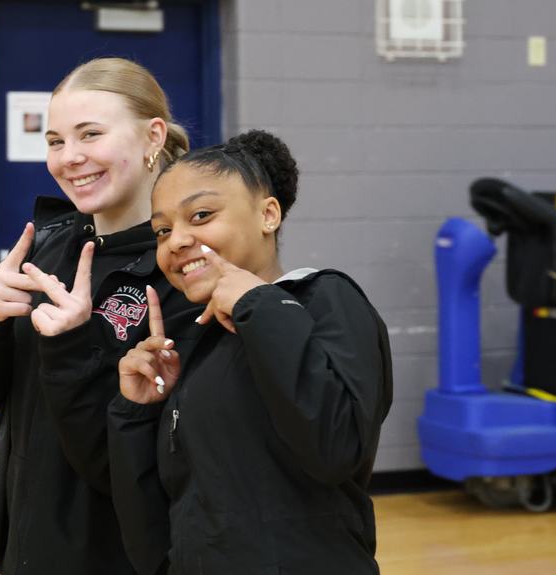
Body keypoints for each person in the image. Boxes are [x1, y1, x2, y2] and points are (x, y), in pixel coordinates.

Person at [0, 57, 198, 575]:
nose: (70, 158)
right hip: (27, 545)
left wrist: (74, 343)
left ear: (153, 136)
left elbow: (145, 458)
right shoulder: (47, 247)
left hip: (126, 553)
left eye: (90, 135)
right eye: (56, 141)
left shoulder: (185, 265)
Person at [108, 130, 394, 574]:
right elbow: (167, 517)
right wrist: (136, 412)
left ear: (268, 214)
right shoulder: (198, 342)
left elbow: (336, 448)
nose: (176, 240)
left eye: (200, 215)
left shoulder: (325, 300)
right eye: (162, 230)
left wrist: (257, 302)